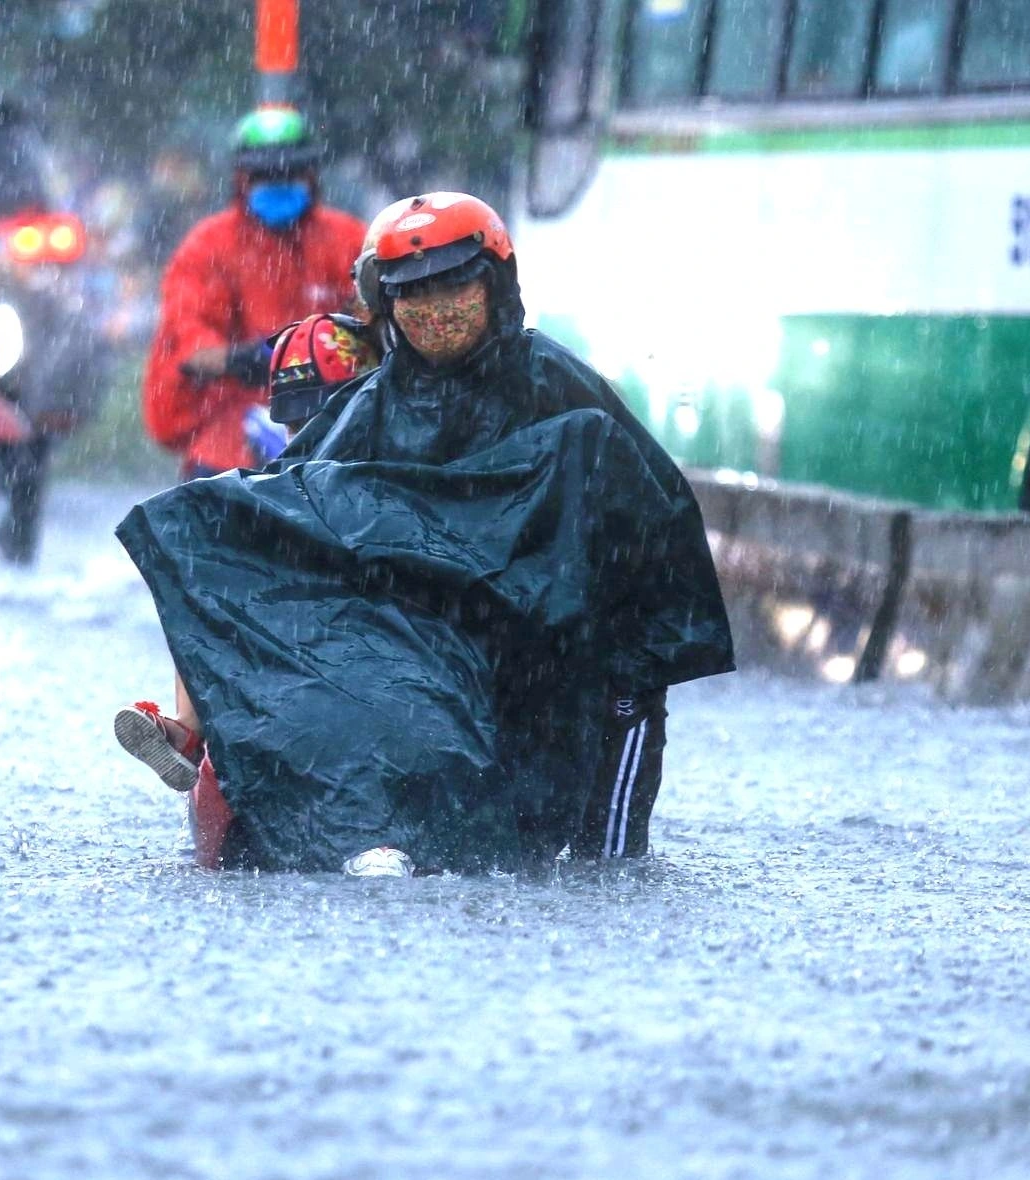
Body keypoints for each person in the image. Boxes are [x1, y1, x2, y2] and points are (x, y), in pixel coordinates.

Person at [116, 192, 733, 875]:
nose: (436, 312)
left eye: (454, 288)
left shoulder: (557, 390)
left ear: (493, 286)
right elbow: (284, 510)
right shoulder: (368, 406)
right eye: (413, 295)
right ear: (388, 306)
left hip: (546, 651)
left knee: (607, 832)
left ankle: (610, 867)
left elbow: (647, 511)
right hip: (420, 658)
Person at [114, 311, 381, 794]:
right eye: (298, 421)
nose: (310, 433)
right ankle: (188, 732)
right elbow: (191, 349)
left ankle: (195, 732)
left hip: (366, 658)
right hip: (309, 657)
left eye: (320, 418)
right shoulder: (270, 482)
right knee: (200, 571)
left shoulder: (397, 464)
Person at [140, 109, 365, 481]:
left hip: (333, 417)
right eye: (265, 175)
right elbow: (188, 336)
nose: (278, 182)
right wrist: (247, 359)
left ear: (310, 174)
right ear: (242, 179)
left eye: (289, 172)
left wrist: (323, 359)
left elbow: (378, 321)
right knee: (209, 503)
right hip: (233, 418)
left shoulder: (348, 240)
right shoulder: (207, 247)